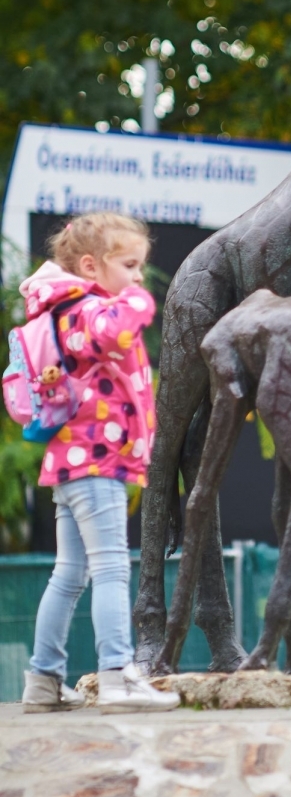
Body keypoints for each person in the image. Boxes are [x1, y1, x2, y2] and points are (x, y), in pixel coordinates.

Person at [20, 213, 180, 714]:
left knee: (69, 573)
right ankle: (117, 675)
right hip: (96, 460)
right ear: (90, 266)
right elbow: (111, 333)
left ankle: (43, 682)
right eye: (129, 265)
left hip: (73, 463)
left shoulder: (64, 308)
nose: (137, 277)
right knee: (111, 566)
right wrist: (136, 301)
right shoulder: (84, 309)